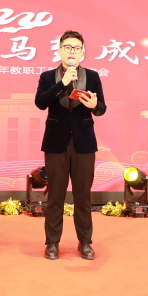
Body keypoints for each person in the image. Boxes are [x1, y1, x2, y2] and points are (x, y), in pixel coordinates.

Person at [35, 30, 106, 260]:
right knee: (55, 196)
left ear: (82, 53)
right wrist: (62, 83)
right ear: (59, 51)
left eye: (76, 48)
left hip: (84, 142)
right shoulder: (48, 77)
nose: (72, 52)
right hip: (55, 143)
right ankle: (52, 242)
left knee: (82, 196)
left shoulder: (92, 76)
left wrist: (95, 105)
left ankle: (85, 242)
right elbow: (40, 103)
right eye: (67, 47)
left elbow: (101, 108)